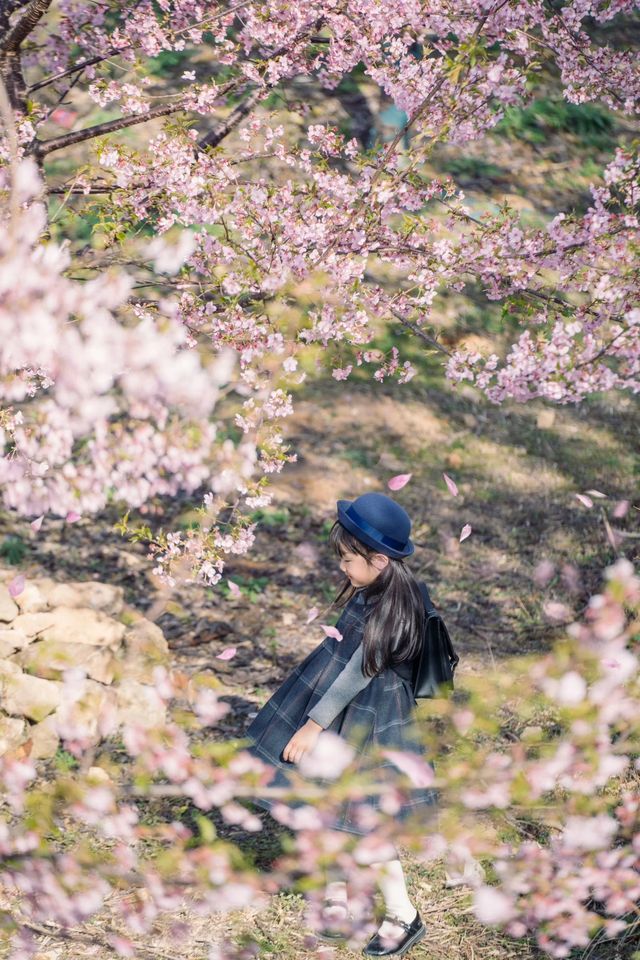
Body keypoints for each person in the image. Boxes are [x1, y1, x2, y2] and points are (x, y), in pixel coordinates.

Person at [244, 492, 438, 956]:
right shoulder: (376, 586)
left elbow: (360, 671)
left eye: (349, 560)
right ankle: (337, 890)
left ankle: (402, 914)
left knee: (364, 819)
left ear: (379, 560)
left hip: (365, 717)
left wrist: (312, 725)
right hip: (343, 706)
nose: (343, 569)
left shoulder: (396, 604)